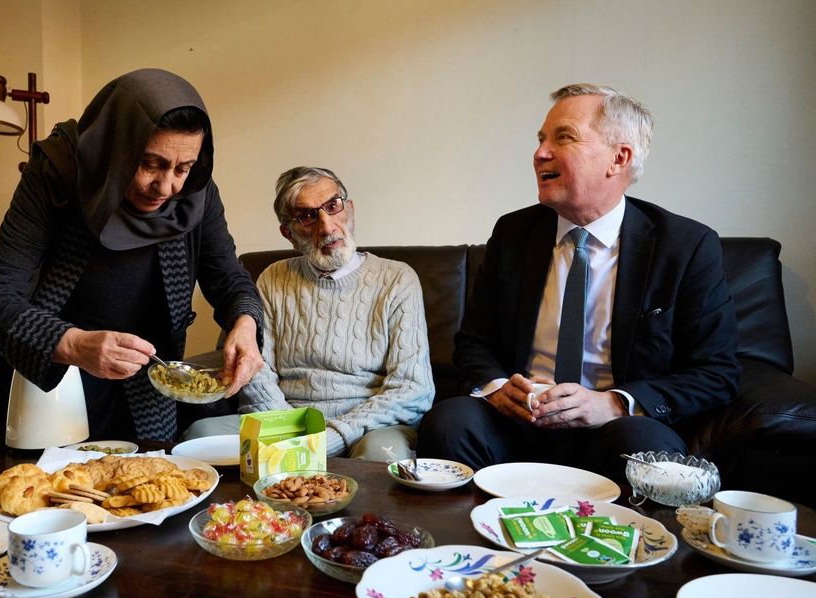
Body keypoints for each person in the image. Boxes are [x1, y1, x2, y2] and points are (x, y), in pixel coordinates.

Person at [417, 83, 740, 480]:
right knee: (450, 422)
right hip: (520, 423)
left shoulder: (685, 246)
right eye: (541, 140)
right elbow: (474, 342)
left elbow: (716, 373)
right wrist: (499, 387)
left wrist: (617, 404)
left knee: (642, 448)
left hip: (614, 429)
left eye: (563, 137)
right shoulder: (514, 233)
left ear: (618, 158)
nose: (540, 153)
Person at [0, 69, 264, 441]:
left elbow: (229, 279)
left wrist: (245, 322)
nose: (167, 186)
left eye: (182, 168)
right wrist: (74, 344)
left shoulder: (197, 194)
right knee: (42, 492)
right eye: (150, 163)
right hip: (54, 380)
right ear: (115, 146)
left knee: (149, 492)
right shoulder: (56, 173)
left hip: (148, 384)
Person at [183, 167, 435, 460]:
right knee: (199, 438)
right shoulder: (272, 278)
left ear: (349, 209)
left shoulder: (397, 278)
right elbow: (257, 371)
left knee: (380, 456)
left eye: (333, 206)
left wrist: (330, 438)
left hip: (369, 428)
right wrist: (292, 433)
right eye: (307, 216)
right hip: (284, 421)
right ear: (288, 233)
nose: (327, 227)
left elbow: (412, 388)